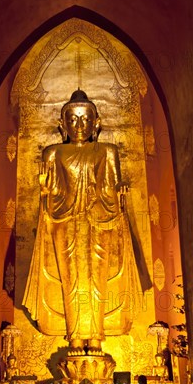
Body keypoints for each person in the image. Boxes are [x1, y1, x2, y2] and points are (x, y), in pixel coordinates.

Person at [23, 90, 140, 350]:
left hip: (100, 221)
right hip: (64, 222)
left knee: (96, 281)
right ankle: (74, 337)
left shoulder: (107, 151)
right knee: (71, 281)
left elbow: (110, 187)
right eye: (72, 119)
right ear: (62, 124)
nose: (79, 125)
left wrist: (118, 194)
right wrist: (44, 188)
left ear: (96, 123)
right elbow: (53, 194)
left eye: (85, 119)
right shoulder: (53, 153)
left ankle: (96, 338)